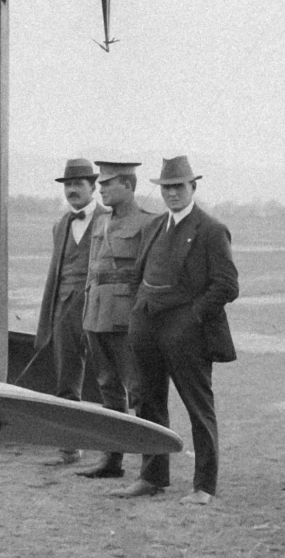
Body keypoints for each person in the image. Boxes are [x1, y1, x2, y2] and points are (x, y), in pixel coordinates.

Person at [120, 155, 238, 504]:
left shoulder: (212, 230)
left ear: (193, 188)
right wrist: (138, 313)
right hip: (147, 328)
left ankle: (204, 486)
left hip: (188, 335)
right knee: (149, 403)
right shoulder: (153, 227)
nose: (172, 194)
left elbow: (227, 285)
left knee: (198, 407)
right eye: (166, 188)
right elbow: (137, 276)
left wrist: (191, 318)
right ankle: (152, 477)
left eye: (178, 187)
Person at [78, 160, 163, 480]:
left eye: (108, 183)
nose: (100, 188)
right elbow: (93, 271)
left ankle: (151, 469)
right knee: (107, 391)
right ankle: (112, 460)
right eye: (100, 183)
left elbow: (151, 277)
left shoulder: (148, 223)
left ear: (129, 186)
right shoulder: (100, 222)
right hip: (97, 315)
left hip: (127, 319)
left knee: (139, 392)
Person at [33, 157, 103, 410]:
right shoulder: (60, 224)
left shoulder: (109, 219)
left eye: (78, 184)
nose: (72, 190)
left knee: (107, 377)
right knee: (67, 378)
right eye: (67, 185)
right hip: (64, 309)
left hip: (99, 307)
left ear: (93, 187)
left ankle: (112, 442)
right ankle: (71, 446)